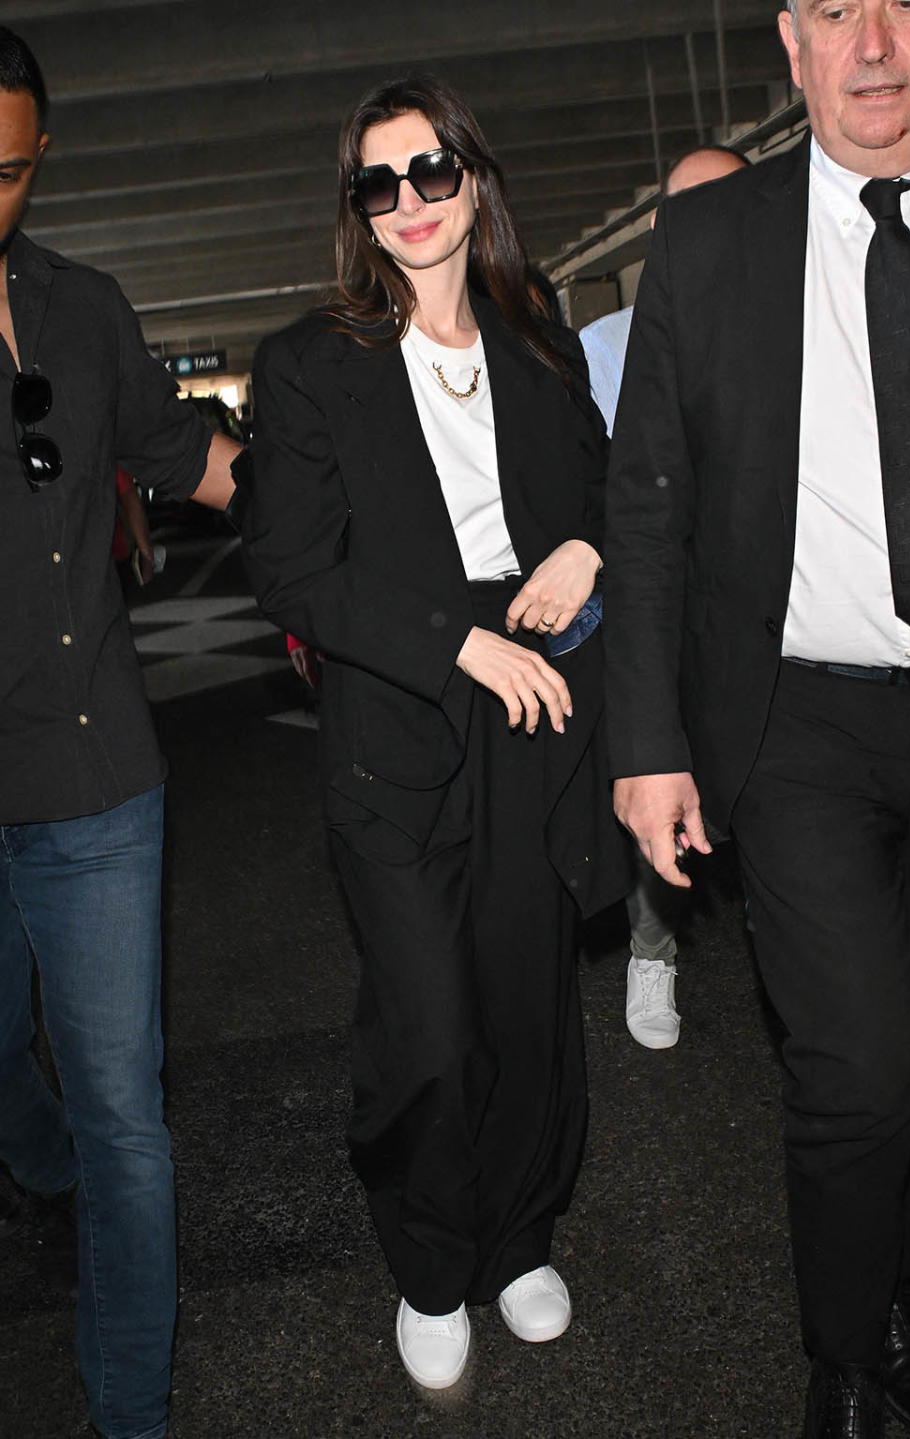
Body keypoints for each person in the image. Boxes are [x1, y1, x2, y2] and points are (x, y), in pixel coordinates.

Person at [239, 73, 631, 1391]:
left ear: (474, 182)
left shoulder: (538, 341)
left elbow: (605, 489)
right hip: (397, 714)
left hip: (536, 721)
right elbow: (292, 567)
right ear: (358, 208)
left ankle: (519, 1233)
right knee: (425, 1013)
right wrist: (458, 639)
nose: (407, 201)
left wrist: (579, 546)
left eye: (430, 172)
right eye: (378, 182)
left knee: (526, 1001)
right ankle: (428, 1255)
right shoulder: (310, 364)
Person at [604, 1, 910, 1434]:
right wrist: (645, 741)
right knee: (863, 1068)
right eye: (832, 9)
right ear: (790, 43)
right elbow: (648, 508)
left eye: (906, 1)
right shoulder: (712, 240)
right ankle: (846, 1361)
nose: (871, 43)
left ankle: (883, 1295)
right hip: (796, 720)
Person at [0, 27, 238, 1439]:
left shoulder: (86, 310)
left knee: (126, 1121)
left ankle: (132, 1412)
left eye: (8, 168)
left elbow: (191, 458)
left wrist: (357, 455)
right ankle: (29, 1149)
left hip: (96, 782)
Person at [581, 144, 748, 1051]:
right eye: (692, 210)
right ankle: (653, 950)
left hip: (756, 614)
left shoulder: (795, 328)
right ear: (660, 229)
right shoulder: (604, 348)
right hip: (651, 609)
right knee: (657, 770)